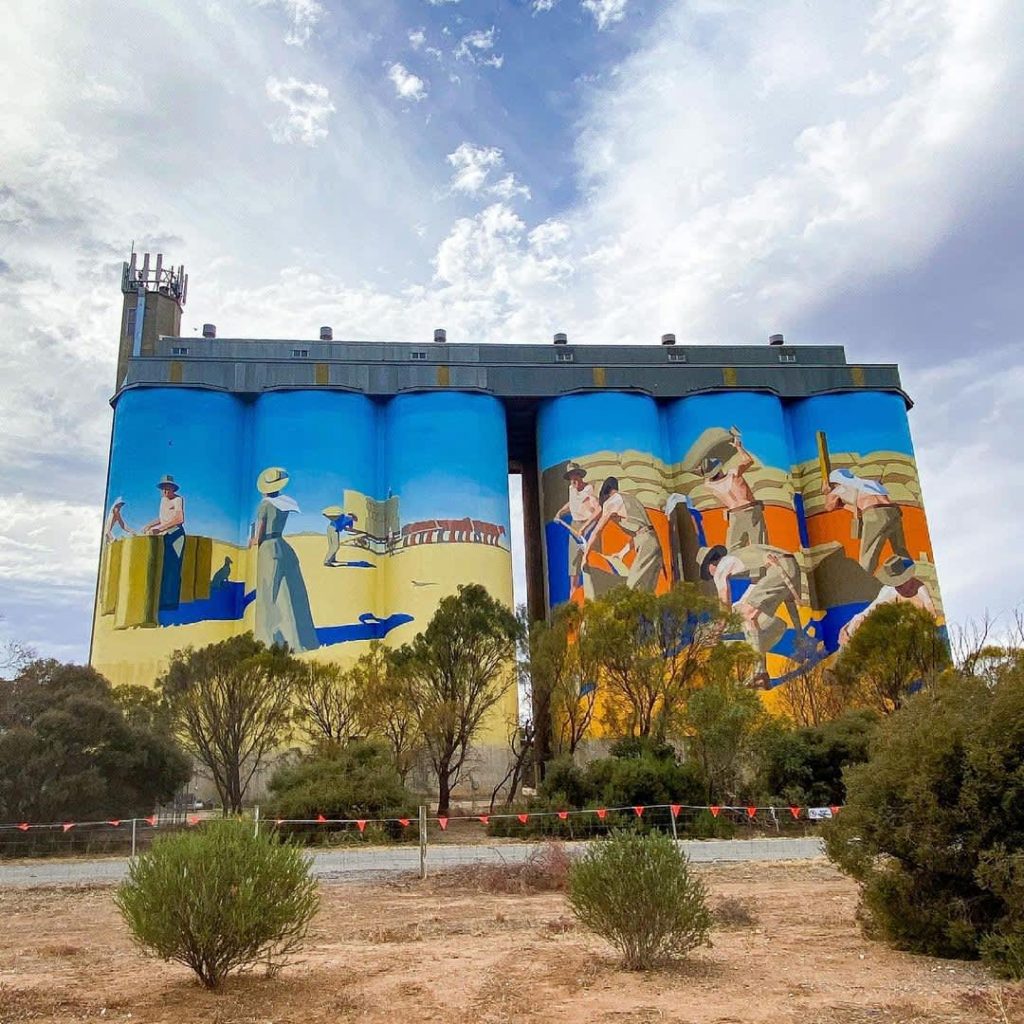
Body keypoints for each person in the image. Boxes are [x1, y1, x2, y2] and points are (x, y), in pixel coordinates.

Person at [697, 543, 802, 688]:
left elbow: (724, 606)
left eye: (708, 573)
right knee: (748, 612)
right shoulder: (741, 557)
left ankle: (759, 674)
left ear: (711, 564)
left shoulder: (721, 568)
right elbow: (760, 589)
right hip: (790, 565)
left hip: (778, 568)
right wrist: (799, 632)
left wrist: (717, 633)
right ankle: (761, 672)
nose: (711, 576)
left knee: (748, 615)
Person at [251, 467, 318, 653]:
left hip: (268, 547)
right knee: (289, 591)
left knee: (269, 592)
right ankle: (299, 637)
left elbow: (260, 534)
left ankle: (273, 638)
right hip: (283, 545)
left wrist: (253, 540)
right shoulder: (285, 504)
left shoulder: (264, 505)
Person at [823, 468, 912, 575]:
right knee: (900, 549)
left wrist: (827, 492)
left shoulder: (841, 488)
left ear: (836, 482)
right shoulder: (870, 483)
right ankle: (909, 572)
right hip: (894, 511)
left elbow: (829, 507)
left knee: (868, 553)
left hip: (875, 514)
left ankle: (864, 579)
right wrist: (844, 505)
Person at [582, 477, 664, 593]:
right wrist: (621, 554)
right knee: (646, 593)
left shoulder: (610, 503)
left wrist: (585, 556)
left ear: (605, 494)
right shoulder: (631, 498)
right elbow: (640, 532)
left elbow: (597, 531)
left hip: (647, 545)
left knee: (631, 588)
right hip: (654, 542)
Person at [838, 555, 937, 645]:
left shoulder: (920, 589)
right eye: (896, 584)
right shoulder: (889, 590)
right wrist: (848, 627)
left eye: (901, 583)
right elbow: (869, 610)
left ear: (908, 577)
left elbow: (931, 615)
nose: (899, 587)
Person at [699, 429, 766, 550]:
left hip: (734, 515)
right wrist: (739, 447)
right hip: (750, 509)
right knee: (759, 546)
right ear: (719, 468)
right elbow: (749, 460)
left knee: (734, 551)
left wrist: (704, 466)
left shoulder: (710, 486)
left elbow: (705, 478)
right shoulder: (733, 474)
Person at [554, 461, 602, 591]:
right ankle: (573, 597)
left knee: (593, 563)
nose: (573, 480)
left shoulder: (589, 490)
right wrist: (560, 512)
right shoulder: (571, 489)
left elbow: (598, 510)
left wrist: (585, 527)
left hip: (590, 527)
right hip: (574, 527)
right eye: (570, 477)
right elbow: (572, 504)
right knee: (573, 567)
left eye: (575, 476)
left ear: (580, 476)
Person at [142, 475, 186, 611]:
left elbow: (179, 518)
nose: (165, 491)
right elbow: (162, 519)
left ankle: (171, 603)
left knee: (173, 567)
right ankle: (162, 601)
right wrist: (149, 525)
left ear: (173, 488)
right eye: (163, 488)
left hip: (176, 535)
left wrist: (160, 529)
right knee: (164, 566)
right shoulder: (163, 501)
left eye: (168, 488)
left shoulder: (178, 500)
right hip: (165, 535)